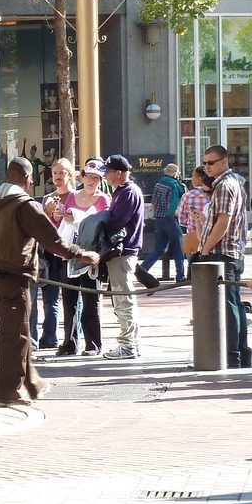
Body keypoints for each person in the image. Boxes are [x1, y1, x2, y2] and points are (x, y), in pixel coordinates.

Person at [0, 157, 97, 406]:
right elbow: (52, 240)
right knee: (15, 335)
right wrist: (82, 254)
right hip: (15, 276)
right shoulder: (25, 205)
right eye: (31, 179)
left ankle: (32, 383)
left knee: (17, 331)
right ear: (26, 179)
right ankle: (6, 391)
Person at [195, 144, 249, 368]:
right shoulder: (233, 182)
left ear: (224, 162)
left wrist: (206, 251)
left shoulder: (225, 185)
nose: (206, 167)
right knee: (234, 304)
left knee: (227, 308)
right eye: (205, 162)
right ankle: (241, 355)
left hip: (222, 254)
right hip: (229, 253)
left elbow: (223, 223)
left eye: (211, 162)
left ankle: (232, 356)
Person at [55, 160, 111, 356]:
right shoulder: (71, 196)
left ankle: (93, 344)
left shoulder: (103, 200)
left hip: (90, 257)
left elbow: (100, 227)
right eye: (89, 176)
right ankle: (69, 344)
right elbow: (63, 223)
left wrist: (75, 219)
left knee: (90, 301)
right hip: (69, 256)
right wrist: (60, 215)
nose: (92, 181)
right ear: (83, 177)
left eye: (96, 178)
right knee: (69, 301)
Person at [100, 154, 146, 360]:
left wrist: (99, 225)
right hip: (123, 253)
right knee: (123, 298)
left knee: (123, 299)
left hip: (122, 252)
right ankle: (131, 344)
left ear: (119, 173)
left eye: (108, 172)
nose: (105, 176)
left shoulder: (127, 193)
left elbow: (117, 221)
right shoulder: (124, 191)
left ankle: (128, 346)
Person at [36, 157, 77, 349]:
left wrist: (67, 217)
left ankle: (73, 337)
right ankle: (49, 336)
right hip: (50, 253)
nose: (58, 177)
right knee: (49, 297)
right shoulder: (48, 198)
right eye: (55, 173)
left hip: (69, 251)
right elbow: (42, 225)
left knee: (72, 298)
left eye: (62, 173)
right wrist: (46, 212)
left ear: (70, 176)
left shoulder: (76, 197)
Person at [139, 163, 188, 282]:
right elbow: (173, 204)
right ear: (175, 173)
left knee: (160, 248)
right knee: (178, 248)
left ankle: (142, 269)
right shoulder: (175, 185)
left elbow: (153, 205)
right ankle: (180, 276)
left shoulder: (158, 184)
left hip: (159, 220)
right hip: (170, 219)